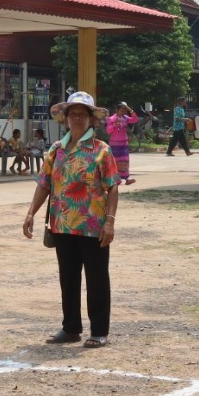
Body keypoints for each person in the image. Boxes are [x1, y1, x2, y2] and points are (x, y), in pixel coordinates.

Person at [22, 91, 118, 348]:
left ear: (91, 120)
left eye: (82, 114)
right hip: (62, 224)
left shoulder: (101, 151)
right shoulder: (56, 150)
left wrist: (109, 221)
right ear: (65, 120)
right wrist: (31, 212)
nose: (76, 119)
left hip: (93, 226)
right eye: (72, 114)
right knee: (68, 277)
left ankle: (99, 331)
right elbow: (44, 184)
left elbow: (112, 187)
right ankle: (71, 327)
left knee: (97, 277)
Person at [106, 101, 139, 185]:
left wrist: (129, 109)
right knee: (115, 162)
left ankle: (127, 179)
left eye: (125, 111)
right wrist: (114, 125)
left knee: (124, 161)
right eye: (122, 110)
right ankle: (116, 179)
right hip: (114, 144)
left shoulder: (126, 118)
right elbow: (108, 131)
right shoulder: (111, 119)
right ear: (117, 110)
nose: (124, 112)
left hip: (124, 143)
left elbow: (135, 119)